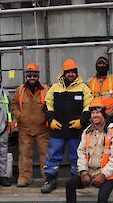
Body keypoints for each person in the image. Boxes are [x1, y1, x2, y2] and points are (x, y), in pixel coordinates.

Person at [41, 59, 93, 194]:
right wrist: (51, 119)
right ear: (64, 73)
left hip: (76, 130)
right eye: (68, 72)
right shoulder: (55, 87)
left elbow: (89, 105)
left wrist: (81, 120)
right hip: (57, 129)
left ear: (76, 73)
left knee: (77, 155)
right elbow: (47, 104)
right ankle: (50, 179)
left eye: (73, 72)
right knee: (53, 155)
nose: (70, 74)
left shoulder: (83, 88)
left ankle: (76, 179)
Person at [65, 97, 113, 203]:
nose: (95, 115)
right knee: (70, 184)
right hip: (90, 172)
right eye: (93, 113)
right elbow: (81, 152)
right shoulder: (87, 131)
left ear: (103, 114)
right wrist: (83, 172)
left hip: (108, 174)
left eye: (98, 112)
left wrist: (103, 175)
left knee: (102, 199)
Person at [11, 63, 50, 187]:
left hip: (42, 129)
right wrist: (19, 115)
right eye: (29, 76)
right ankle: (24, 178)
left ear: (38, 77)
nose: (32, 78)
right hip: (25, 129)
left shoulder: (46, 89)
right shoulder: (20, 90)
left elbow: (51, 105)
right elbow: (14, 104)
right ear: (26, 77)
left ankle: (48, 177)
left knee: (46, 155)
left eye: (34, 76)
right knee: (24, 155)